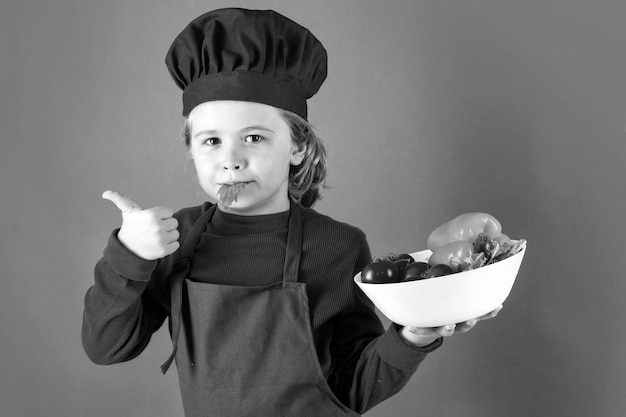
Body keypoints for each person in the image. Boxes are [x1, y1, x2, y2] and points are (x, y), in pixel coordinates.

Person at [81, 8, 500, 417]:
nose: (231, 160)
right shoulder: (177, 239)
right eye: (211, 141)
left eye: (255, 137)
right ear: (191, 148)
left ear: (297, 147)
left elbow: (354, 389)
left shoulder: (339, 245)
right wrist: (128, 256)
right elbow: (106, 347)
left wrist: (412, 336)